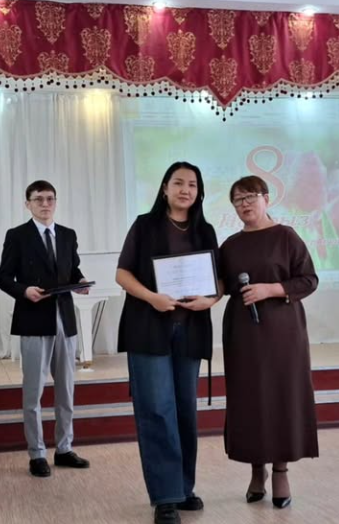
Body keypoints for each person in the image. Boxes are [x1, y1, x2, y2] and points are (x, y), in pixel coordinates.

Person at [116, 161, 220, 524]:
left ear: (199, 192)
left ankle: (183, 488)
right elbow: (122, 273)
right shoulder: (144, 225)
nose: (185, 190)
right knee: (157, 410)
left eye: (192, 184)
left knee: (184, 411)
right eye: (178, 183)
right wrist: (152, 298)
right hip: (149, 328)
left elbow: (218, 280)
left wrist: (211, 299)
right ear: (164, 188)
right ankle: (165, 497)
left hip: (190, 330)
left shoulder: (205, 230)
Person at [219, 175, 319, 508]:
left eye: (250, 196)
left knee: (280, 397)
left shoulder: (286, 236)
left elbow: (309, 279)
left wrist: (271, 289)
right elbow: (219, 284)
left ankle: (280, 470)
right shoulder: (230, 245)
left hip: (282, 332)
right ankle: (255, 469)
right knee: (250, 398)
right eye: (238, 200)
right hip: (243, 333)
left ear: (266, 198)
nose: (244, 204)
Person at [0, 180, 90, 477]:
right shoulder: (17, 236)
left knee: (66, 389)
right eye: (39, 199)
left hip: (65, 318)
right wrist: (24, 291)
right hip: (34, 318)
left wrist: (81, 282)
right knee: (33, 391)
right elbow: (3, 278)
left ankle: (64, 448)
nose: (45, 204)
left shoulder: (67, 234)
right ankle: (36, 453)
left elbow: (72, 270)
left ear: (56, 202)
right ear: (28, 204)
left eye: (50, 198)